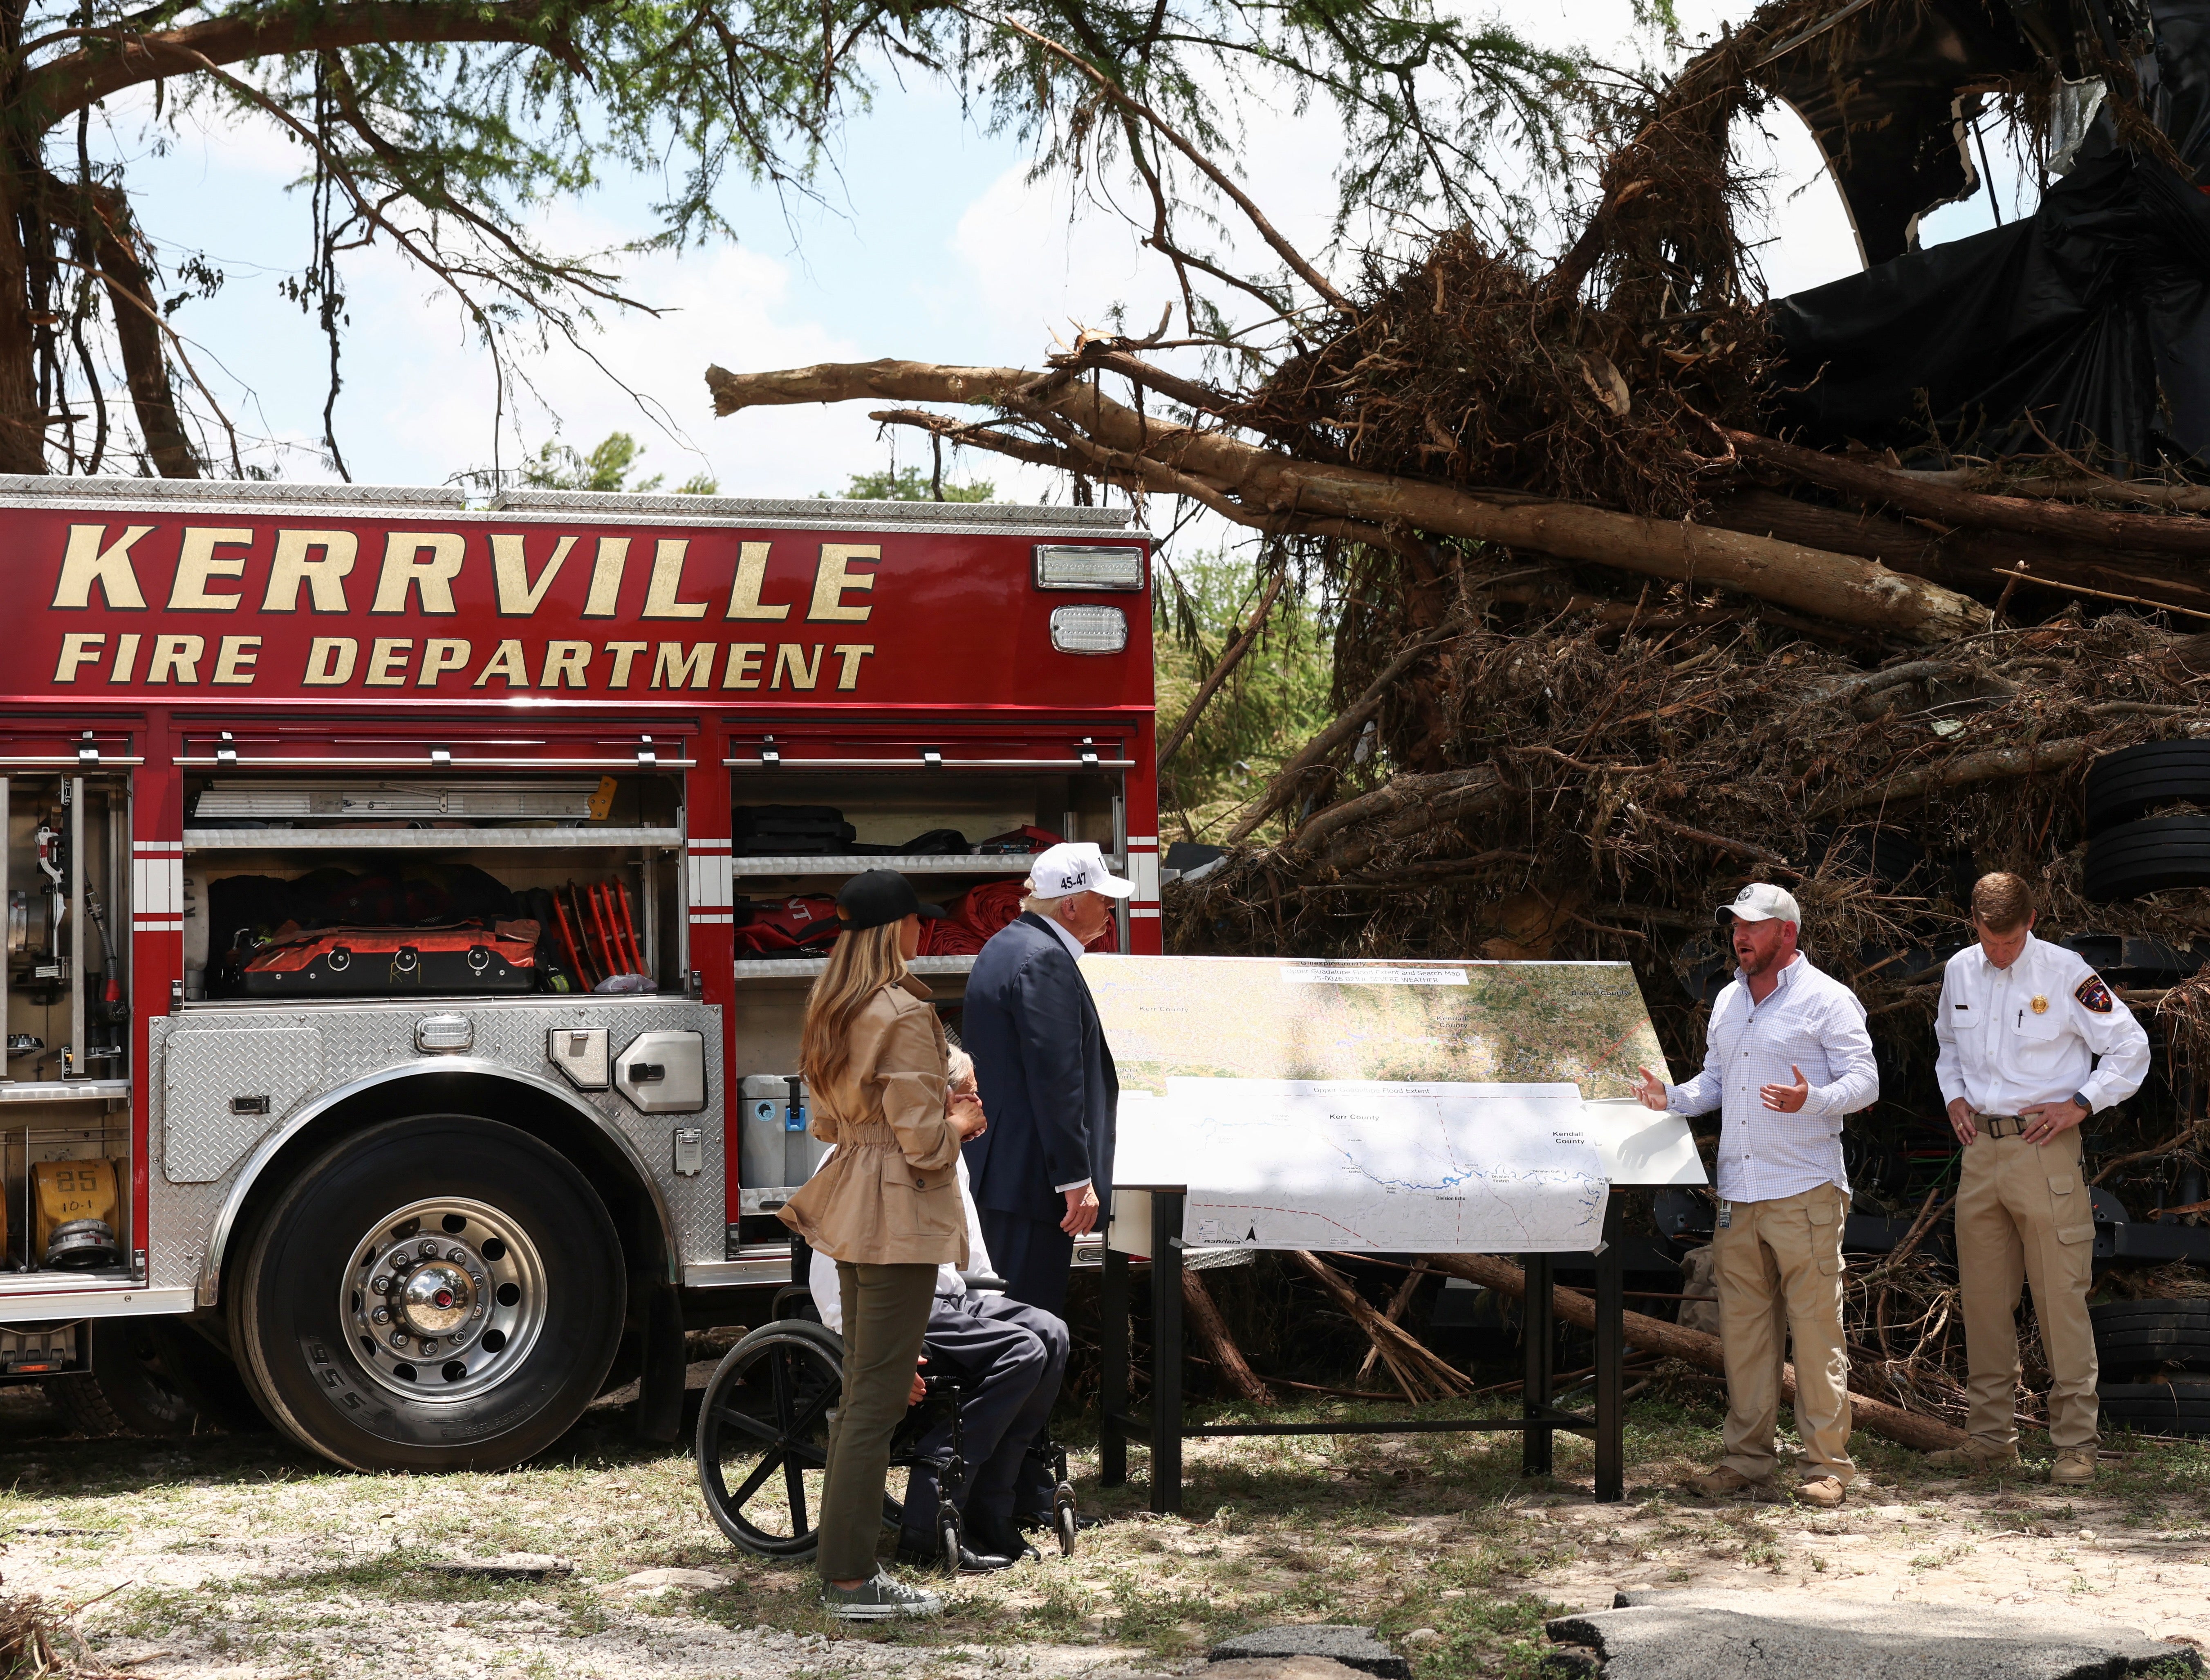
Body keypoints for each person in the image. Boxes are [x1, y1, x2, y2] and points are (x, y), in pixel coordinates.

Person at [776, 868, 985, 1622]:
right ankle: (852, 1578)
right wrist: (962, 1121)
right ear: (896, 928)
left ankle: (845, 1567)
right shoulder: (900, 1010)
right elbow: (926, 1146)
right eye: (916, 920)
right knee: (875, 1399)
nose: (923, 931)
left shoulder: (832, 1004)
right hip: (897, 1212)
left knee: (865, 1392)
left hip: (851, 1199)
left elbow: (830, 1125)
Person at [1634, 882, 1877, 1510]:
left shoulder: (1828, 999)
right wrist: (1673, 1099)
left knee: (1818, 1332)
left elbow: (1866, 1081)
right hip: (1737, 1194)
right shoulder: (1726, 1001)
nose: (1739, 935)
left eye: (1753, 925)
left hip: (1804, 1190)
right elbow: (1716, 1080)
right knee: (1743, 1337)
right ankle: (1746, 1461)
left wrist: (1813, 1099)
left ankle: (1828, 1466)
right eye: (1734, 925)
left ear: (1786, 933)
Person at [809, 1048, 1072, 1570]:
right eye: (967, 1092)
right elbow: (830, 1280)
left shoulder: (946, 1154)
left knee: (1050, 1333)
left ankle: (997, 1504)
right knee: (1019, 1351)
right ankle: (929, 1517)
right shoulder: (863, 1152)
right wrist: (879, 1355)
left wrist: (997, 1316)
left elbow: (973, 1259)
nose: (979, 1102)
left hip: (953, 1299)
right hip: (900, 1310)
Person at [1927, 872, 2149, 1486]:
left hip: (2043, 1148)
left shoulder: (2065, 971)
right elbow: (1947, 1045)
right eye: (1988, 940)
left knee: (2059, 1300)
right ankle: (1989, 1439)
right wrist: (1953, 1098)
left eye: (2009, 940)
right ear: (1973, 924)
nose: (1998, 952)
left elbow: (2130, 1047)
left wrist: (2081, 1101)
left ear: (2030, 920)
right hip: (1981, 1153)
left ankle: (2075, 1444)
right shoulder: (1959, 971)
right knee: (1983, 1301)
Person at [962, 840, 1130, 1318]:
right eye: (1102, 897)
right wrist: (1077, 1179)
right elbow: (1057, 1078)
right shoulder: (1044, 959)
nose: (1109, 907)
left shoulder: (1007, 945)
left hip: (1003, 1173)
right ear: (1071, 904)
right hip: (1031, 1182)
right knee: (1025, 1326)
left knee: (998, 1318)